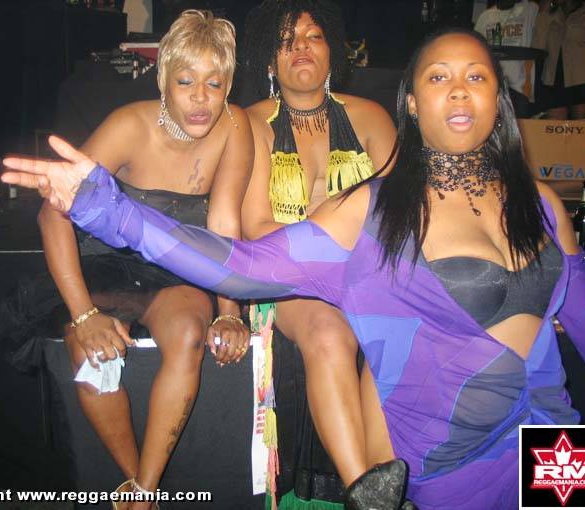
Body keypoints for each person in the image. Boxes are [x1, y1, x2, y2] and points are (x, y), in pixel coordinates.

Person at [3, 28, 585, 510]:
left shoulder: (542, 205)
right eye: (438, 77)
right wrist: (105, 208)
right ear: (412, 103)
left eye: (476, 76)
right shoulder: (372, 212)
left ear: (498, 98)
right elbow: (238, 265)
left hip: (558, 449)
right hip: (453, 468)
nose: (458, 91)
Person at [0, 10, 253, 510]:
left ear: (228, 86)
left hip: (177, 268)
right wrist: (84, 314)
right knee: (91, 354)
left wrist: (229, 311)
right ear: (163, 80)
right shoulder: (128, 125)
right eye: (186, 81)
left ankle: (144, 488)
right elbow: (53, 215)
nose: (201, 98)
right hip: (107, 265)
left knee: (189, 333)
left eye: (215, 83)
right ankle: (136, 484)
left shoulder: (234, 124)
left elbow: (225, 222)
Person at [240, 0, 396, 505]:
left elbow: (402, 219)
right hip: (286, 279)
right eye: (286, 41)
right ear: (269, 59)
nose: (300, 48)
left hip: (367, 273)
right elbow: (256, 229)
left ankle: (393, 477)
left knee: (397, 330)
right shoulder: (250, 124)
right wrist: (335, 240)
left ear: (333, 51)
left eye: (312, 36)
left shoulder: (371, 117)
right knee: (329, 333)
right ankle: (364, 490)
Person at [532, 0, 585, 119]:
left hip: (583, 83)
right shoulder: (550, 13)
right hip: (553, 82)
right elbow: (537, 48)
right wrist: (543, 13)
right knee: (554, 128)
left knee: (581, 128)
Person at [474, 0, 539, 117]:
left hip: (519, 88)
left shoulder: (529, 9)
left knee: (516, 126)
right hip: (492, 88)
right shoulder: (485, 16)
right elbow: (475, 50)